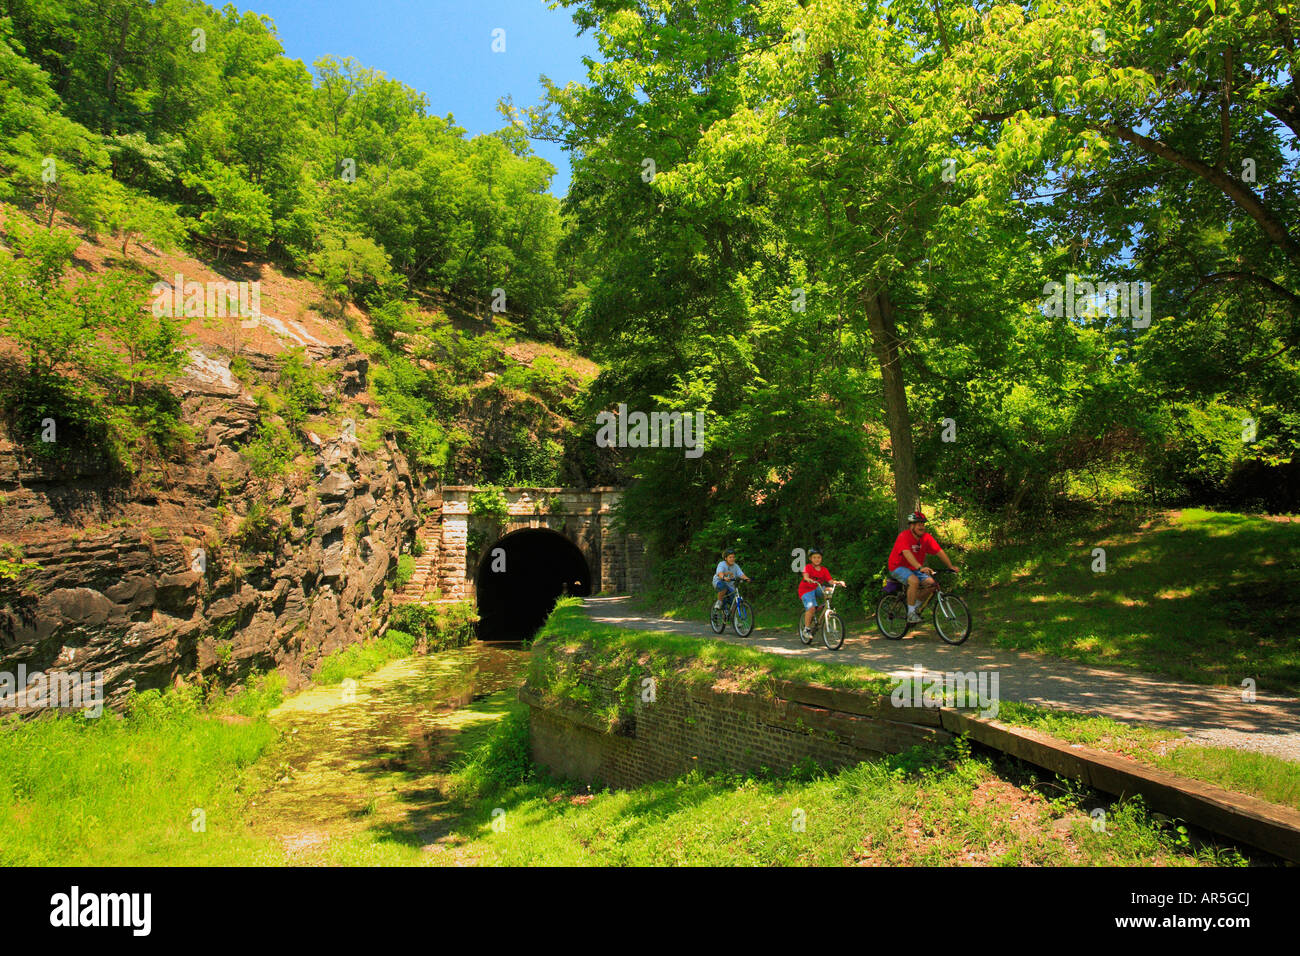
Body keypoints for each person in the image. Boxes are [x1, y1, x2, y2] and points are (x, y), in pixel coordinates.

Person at [888, 511, 959, 622]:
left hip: (915, 568)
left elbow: (939, 552)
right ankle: (911, 614)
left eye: (923, 524)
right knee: (914, 581)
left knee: (932, 585)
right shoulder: (904, 536)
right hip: (897, 566)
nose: (922, 527)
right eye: (919, 524)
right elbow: (907, 553)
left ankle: (914, 605)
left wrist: (950, 566)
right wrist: (920, 568)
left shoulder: (926, 538)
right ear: (912, 526)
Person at [799, 548, 845, 640]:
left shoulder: (824, 570)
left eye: (819, 557)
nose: (817, 559)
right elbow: (805, 575)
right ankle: (806, 629)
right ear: (811, 559)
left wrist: (838, 582)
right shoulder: (808, 567)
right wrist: (808, 579)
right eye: (814, 557)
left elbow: (830, 581)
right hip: (806, 590)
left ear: (821, 558)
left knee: (828, 589)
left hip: (817, 587)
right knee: (811, 608)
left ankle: (825, 607)